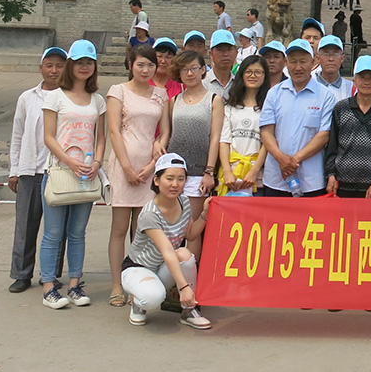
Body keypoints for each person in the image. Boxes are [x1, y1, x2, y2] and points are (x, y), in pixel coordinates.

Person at [40, 39, 107, 309]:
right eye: (79, 62)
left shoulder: (98, 100)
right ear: (70, 65)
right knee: (53, 233)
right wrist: (69, 160)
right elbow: (48, 136)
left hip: (86, 175)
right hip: (60, 171)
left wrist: (97, 162)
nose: (84, 67)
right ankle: (48, 287)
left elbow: (100, 137)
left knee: (78, 233)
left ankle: (75, 285)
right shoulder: (55, 96)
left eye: (89, 62)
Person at [105, 44, 171, 307]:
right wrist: (127, 168)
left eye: (150, 64)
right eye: (140, 64)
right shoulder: (118, 91)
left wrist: (153, 163)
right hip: (124, 167)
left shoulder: (161, 94)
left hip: (149, 170)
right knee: (120, 228)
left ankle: (138, 282)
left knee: (142, 230)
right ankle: (116, 285)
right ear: (130, 65)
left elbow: (164, 131)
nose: (145, 70)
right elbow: (114, 131)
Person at [122, 153, 211, 330]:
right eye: (169, 178)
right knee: (154, 298)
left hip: (163, 267)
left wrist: (204, 214)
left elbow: (191, 235)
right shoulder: (150, 214)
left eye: (180, 179)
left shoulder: (184, 202)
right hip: (138, 269)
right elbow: (167, 250)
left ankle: (189, 311)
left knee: (185, 254)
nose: (175, 184)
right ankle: (138, 303)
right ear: (156, 180)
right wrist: (184, 287)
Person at [8, 47, 67, 294]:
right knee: (25, 225)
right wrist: (14, 169)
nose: (54, 70)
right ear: (41, 67)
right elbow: (18, 134)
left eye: (59, 66)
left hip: (58, 172)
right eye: (49, 65)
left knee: (57, 229)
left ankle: (50, 274)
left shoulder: (69, 96)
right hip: (30, 171)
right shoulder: (27, 98)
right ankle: (21, 274)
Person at [260, 39, 336, 198]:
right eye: (293, 62)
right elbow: (266, 132)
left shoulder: (325, 96)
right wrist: (281, 159)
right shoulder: (274, 93)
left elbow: (324, 135)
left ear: (313, 62)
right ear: (286, 63)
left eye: (303, 61)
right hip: (276, 178)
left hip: (311, 180)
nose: (298, 67)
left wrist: (293, 161)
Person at [166, 50, 223, 258]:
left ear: (203, 71)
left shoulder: (214, 100)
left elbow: (215, 137)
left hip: (198, 172)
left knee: (192, 229)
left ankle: (191, 273)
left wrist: (209, 171)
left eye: (194, 68)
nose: (189, 73)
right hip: (173, 172)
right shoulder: (174, 101)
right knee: (171, 226)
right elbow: (168, 135)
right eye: (184, 69)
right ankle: (170, 272)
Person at [325, 56, 371, 198]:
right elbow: (332, 145)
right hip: (342, 183)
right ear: (354, 81)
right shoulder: (341, 108)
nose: (366, 82)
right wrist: (331, 175)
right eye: (362, 77)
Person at [218, 55, 270, 197]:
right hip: (231, 176)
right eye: (248, 71)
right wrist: (227, 171)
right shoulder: (229, 107)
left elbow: (267, 143)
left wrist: (254, 171)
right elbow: (224, 141)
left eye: (258, 72)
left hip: (257, 177)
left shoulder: (268, 107)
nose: (253, 76)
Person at [314, 35, 355, 102]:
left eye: (335, 54)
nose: (331, 59)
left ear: (342, 58)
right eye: (326, 54)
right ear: (318, 58)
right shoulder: (309, 86)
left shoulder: (351, 88)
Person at [204, 30, 236, 99]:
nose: (225, 54)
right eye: (220, 50)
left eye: (229, 49)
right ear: (211, 54)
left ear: (236, 53)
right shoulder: (202, 83)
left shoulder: (240, 84)